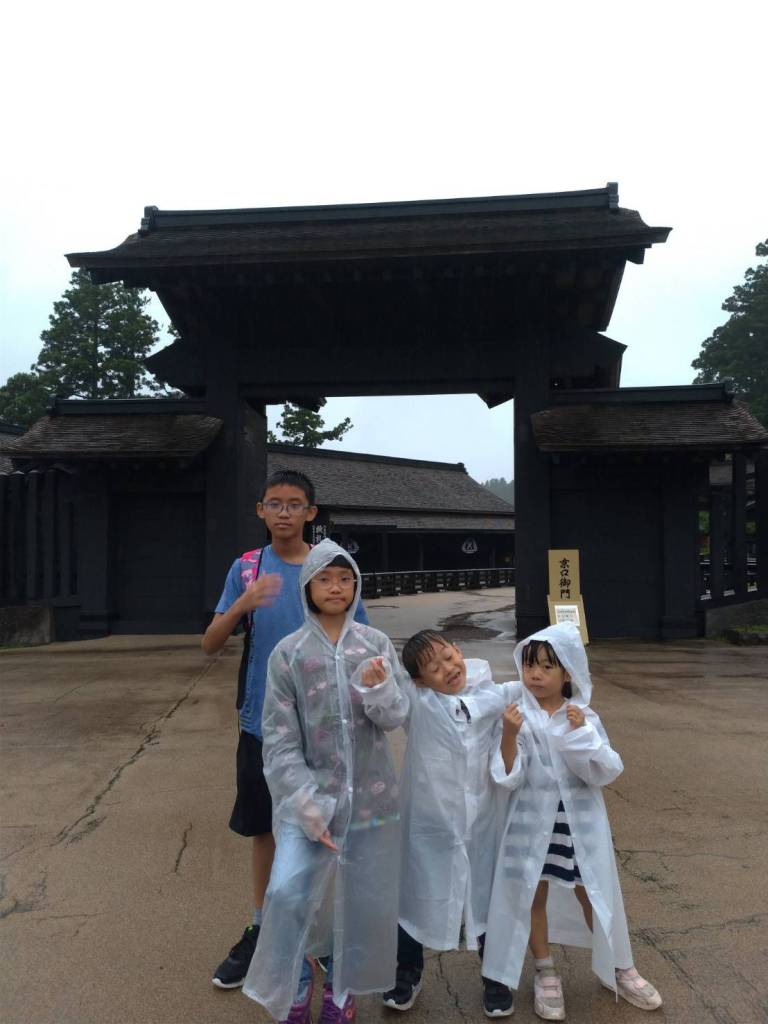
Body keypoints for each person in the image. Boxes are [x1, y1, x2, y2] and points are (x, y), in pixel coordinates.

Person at [202, 471, 368, 990]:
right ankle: (263, 925)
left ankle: (325, 935)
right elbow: (209, 643)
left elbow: (363, 642)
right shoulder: (246, 568)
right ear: (260, 510)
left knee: (329, 828)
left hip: (327, 727)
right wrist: (242, 604)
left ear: (311, 513)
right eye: (274, 504)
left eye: (295, 504)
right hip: (261, 723)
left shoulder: (330, 567)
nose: (284, 513)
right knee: (266, 829)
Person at [242, 538, 409, 1024]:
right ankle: (296, 985)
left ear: (356, 585)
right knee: (288, 892)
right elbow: (278, 738)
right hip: (309, 800)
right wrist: (303, 801)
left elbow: (395, 717)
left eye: (345, 579)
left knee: (358, 899)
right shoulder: (288, 654)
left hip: (371, 800)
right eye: (325, 579)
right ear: (307, 587)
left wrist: (380, 687)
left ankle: (342, 988)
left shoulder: (374, 645)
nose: (336, 587)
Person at [482, 622, 663, 1020]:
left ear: (568, 672)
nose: (535, 674)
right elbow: (507, 776)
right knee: (532, 894)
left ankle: (621, 966)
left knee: (594, 893)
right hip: (530, 826)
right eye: (529, 665)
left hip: (577, 828)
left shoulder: (582, 715)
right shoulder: (516, 716)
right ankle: (545, 970)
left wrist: (581, 733)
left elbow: (604, 770)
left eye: (547, 667)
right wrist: (509, 734)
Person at [383, 629, 522, 1019]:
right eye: (433, 667)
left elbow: (538, 687)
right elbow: (385, 705)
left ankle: (495, 977)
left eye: (447, 656)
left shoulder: (493, 697)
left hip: (480, 823)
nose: (447, 668)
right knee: (414, 894)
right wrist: (376, 682)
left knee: (485, 896)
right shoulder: (418, 703)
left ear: (458, 650)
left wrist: (564, 675)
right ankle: (406, 973)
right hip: (428, 824)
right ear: (418, 680)